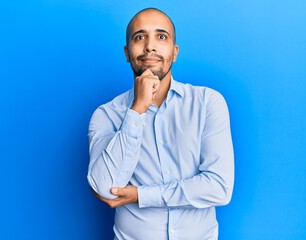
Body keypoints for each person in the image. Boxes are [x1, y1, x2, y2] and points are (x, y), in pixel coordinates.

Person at [87, 7, 234, 240]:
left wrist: (141, 195)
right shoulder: (106, 114)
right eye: (140, 37)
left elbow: (219, 188)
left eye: (161, 36)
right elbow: (105, 188)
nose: (150, 46)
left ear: (174, 52)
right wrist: (137, 111)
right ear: (127, 52)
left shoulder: (208, 103)